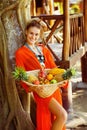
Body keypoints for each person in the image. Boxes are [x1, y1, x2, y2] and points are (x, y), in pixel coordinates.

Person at [15, 20, 68, 130]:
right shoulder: (20, 52)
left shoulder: (43, 49)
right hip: (41, 91)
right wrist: (31, 87)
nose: (33, 37)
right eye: (31, 33)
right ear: (26, 32)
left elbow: (52, 68)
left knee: (55, 119)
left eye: (36, 34)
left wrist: (62, 79)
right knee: (62, 115)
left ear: (39, 35)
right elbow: (21, 74)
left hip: (52, 87)